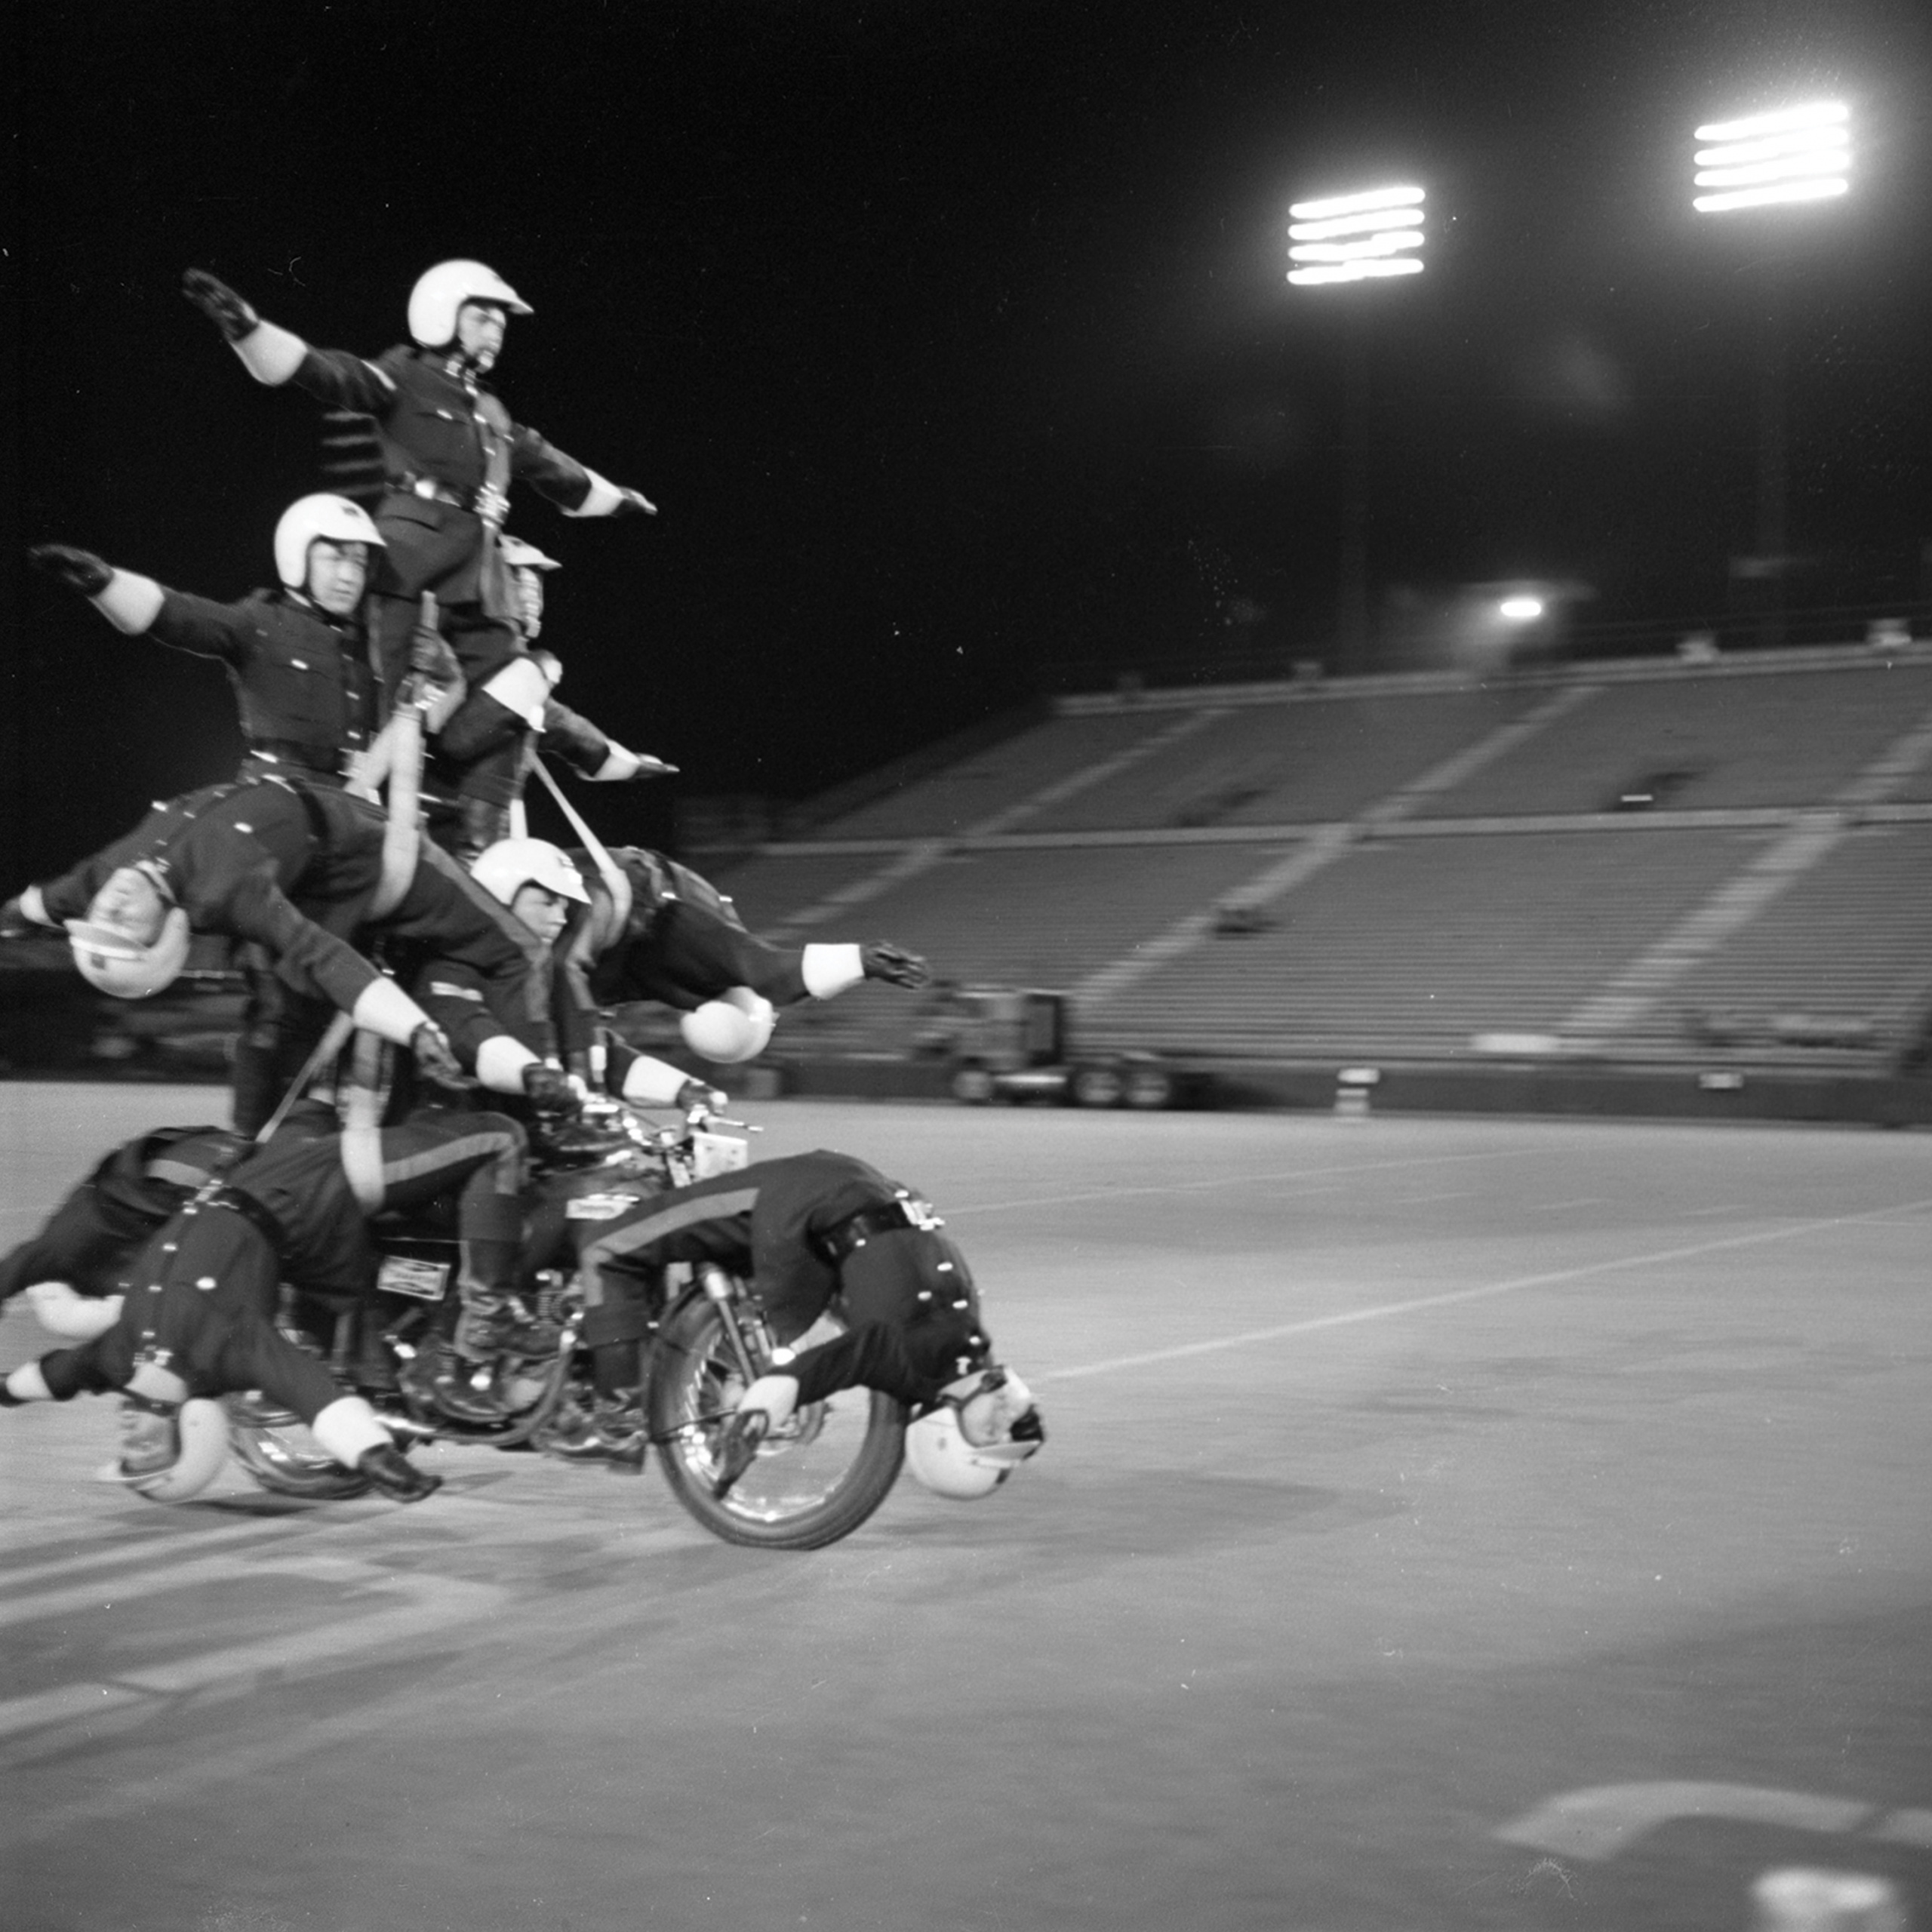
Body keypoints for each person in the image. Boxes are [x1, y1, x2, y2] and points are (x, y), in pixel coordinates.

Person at [182, 260, 658, 857]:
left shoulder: (494, 412)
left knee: (524, 679)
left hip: (482, 579)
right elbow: (329, 373)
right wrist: (248, 330)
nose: (495, 329)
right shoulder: (403, 376)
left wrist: (617, 501)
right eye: (481, 315)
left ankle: (477, 843)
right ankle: (364, 815)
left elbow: (553, 467)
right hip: (411, 565)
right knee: (400, 702)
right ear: (441, 315)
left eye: (499, 320)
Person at [0, 1105, 532, 1503]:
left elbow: (56, 1376)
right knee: (501, 1139)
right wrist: (379, 1462)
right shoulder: (229, 1353)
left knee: (316, 1111)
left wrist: (6, 1391)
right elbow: (310, 1394)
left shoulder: (117, 1359)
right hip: (302, 1195)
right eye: (144, 1449)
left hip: (252, 1178)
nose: (126, 1436)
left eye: (127, 1451)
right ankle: (487, 1318)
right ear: (192, 1434)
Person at [3, 772, 558, 1129]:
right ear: (163, 932)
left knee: (284, 1022)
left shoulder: (101, 881)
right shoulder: (229, 892)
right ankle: (546, 1101)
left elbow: (29, 910)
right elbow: (325, 958)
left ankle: (255, 1145)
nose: (111, 906)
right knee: (517, 946)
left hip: (326, 826)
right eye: (122, 924)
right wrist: (413, 1027)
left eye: (99, 918)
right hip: (370, 861)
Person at [568, 1149, 1044, 1500]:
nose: (1005, 1418)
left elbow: (797, 1381)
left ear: (944, 1436)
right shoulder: (971, 1357)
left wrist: (748, 1434)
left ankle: (618, 1418)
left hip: (814, 1197)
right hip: (825, 1203)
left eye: (991, 1434)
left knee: (605, 1247)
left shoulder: (905, 1361)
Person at [24, 495, 440, 791]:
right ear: (298, 556)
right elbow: (180, 616)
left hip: (359, 801)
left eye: (359, 561)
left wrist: (435, 670)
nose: (350, 575)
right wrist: (107, 584)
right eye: (335, 557)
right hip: (277, 797)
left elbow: (418, 717)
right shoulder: (258, 621)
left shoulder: (374, 641)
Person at [426, 533, 675, 851]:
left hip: (479, 826)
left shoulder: (515, 661)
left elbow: (562, 725)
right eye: (517, 580)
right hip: (456, 825)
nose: (532, 594)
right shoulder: (483, 651)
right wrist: (536, 672)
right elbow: (460, 739)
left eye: (536, 584)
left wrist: (625, 764)